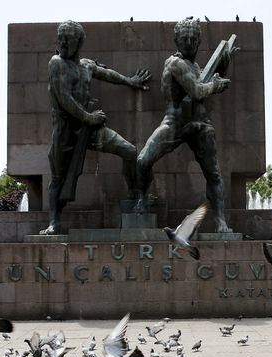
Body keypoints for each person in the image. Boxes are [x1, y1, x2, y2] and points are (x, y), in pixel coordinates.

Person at [40, 20, 151, 235]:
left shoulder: (86, 65)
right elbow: (64, 98)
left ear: (79, 42)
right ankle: (54, 222)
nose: (62, 43)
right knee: (58, 178)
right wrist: (89, 117)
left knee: (129, 151)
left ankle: (135, 194)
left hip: (90, 129)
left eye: (68, 39)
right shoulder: (56, 63)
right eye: (60, 38)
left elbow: (106, 74)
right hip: (66, 132)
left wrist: (130, 81)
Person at [135, 17, 235, 233]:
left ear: (198, 41)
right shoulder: (175, 63)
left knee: (214, 174)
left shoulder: (196, 66)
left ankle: (220, 221)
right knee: (143, 161)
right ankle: (141, 198)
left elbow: (206, 84)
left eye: (193, 38)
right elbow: (199, 91)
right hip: (175, 122)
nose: (188, 42)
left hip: (199, 123)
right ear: (176, 40)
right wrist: (215, 86)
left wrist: (223, 63)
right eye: (184, 38)